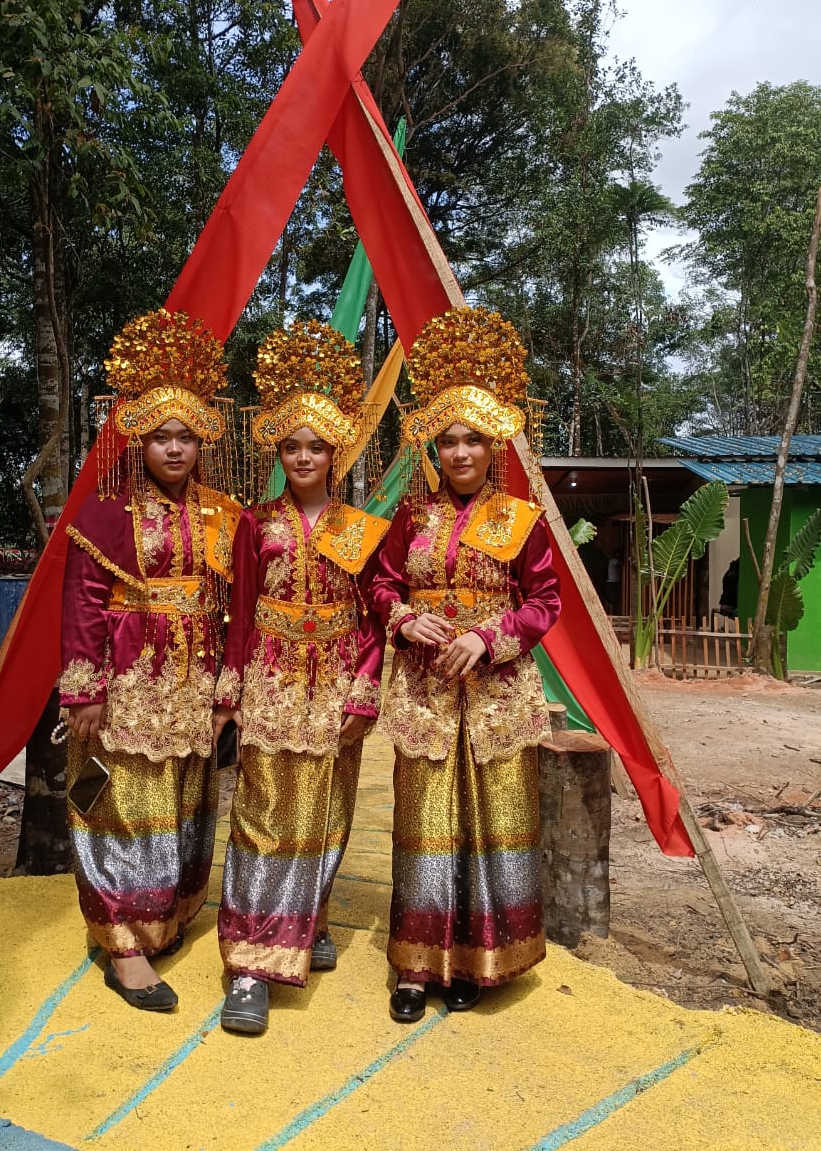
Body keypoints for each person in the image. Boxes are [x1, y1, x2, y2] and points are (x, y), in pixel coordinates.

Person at [368, 309, 561, 1023]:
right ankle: (416, 965)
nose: (457, 452)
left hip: (496, 691)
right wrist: (403, 616)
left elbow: (545, 601)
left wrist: (490, 637)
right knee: (424, 820)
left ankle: (482, 960)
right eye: (446, 440)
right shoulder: (410, 519)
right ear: (433, 450)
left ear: (492, 445)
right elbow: (378, 584)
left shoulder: (519, 517)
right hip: (423, 688)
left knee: (494, 820)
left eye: (471, 439)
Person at [58, 308, 240, 1012]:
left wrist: (228, 688)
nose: (173, 449)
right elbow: (80, 605)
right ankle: (121, 942)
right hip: (126, 681)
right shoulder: (105, 516)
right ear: (139, 441)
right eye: (160, 436)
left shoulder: (224, 516)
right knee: (115, 805)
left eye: (185, 437)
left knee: (185, 804)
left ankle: (165, 917)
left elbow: (237, 608)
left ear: (202, 443)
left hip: (194, 682)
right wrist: (84, 690)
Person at [212, 320, 387, 1035]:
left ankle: (304, 917)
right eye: (292, 446)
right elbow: (241, 610)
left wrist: (365, 691)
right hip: (272, 681)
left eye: (317, 445)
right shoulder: (256, 524)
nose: (305, 455)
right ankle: (249, 966)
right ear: (277, 453)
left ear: (336, 451)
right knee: (262, 817)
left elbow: (375, 620)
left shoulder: (361, 528)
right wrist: (231, 691)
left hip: (338, 683)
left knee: (326, 812)